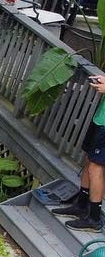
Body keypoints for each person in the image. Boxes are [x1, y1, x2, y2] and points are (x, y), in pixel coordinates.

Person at [51, 74, 105, 231]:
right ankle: (81, 205)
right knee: (89, 160)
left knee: (96, 168)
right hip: (100, 119)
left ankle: (94, 218)